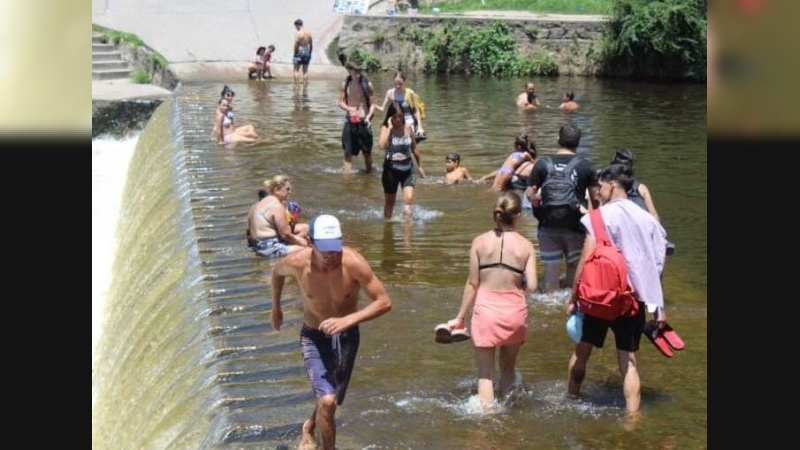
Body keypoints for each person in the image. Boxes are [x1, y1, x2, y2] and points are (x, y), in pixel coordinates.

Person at [271, 214, 393, 450]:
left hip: (347, 337)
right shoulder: (297, 262)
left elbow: (384, 301)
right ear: (310, 243)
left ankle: (309, 426)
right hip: (314, 336)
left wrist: (349, 319)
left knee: (332, 399)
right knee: (327, 401)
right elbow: (277, 272)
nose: (330, 255)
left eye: (334, 248)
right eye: (324, 249)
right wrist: (276, 308)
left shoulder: (354, 263)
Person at [566, 163, 668, 421]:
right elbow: (656, 266)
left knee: (582, 352)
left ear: (612, 185)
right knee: (629, 361)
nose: (597, 191)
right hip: (631, 301)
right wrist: (658, 308)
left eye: (600, 186)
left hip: (599, 298)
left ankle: (571, 400)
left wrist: (574, 297)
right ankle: (632, 417)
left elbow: (586, 259)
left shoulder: (598, 217)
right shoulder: (648, 220)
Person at [443, 191, 538, 413]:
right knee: (508, 368)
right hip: (515, 312)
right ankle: (508, 411)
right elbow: (532, 286)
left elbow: (473, 283)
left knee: (485, 374)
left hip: (485, 312)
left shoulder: (479, 242)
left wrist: (460, 317)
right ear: (519, 216)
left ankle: (488, 420)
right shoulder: (526, 246)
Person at [525, 123, 597, 294]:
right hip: (576, 225)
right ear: (578, 142)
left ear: (558, 139)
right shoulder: (586, 165)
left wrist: (537, 201)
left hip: (547, 224)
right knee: (573, 267)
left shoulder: (542, 163)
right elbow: (596, 198)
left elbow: (530, 194)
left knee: (551, 272)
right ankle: (568, 303)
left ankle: (551, 301)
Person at [610, 148, 675, 255]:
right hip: (642, 232)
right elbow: (653, 214)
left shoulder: (608, 189)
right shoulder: (641, 188)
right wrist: (659, 236)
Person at [379, 101, 426, 220]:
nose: (398, 119)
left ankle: (407, 225)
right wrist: (390, 128)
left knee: (409, 199)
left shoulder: (408, 128)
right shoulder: (385, 128)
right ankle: (387, 225)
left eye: (400, 116)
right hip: (390, 168)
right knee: (390, 202)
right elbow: (381, 145)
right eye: (395, 116)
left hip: (407, 167)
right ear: (390, 117)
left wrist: (420, 166)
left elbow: (414, 148)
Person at [248, 175, 309, 257]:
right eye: (287, 189)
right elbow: (286, 235)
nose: (290, 192)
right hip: (270, 247)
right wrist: (304, 243)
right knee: (308, 250)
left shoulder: (255, 206)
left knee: (305, 230)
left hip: (258, 245)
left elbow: (249, 232)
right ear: (277, 190)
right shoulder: (277, 206)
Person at [338, 61, 376, 174]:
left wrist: (368, 117)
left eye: (360, 71)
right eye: (355, 71)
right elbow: (340, 102)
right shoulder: (345, 84)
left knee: (367, 152)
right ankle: (346, 179)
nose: (358, 74)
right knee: (348, 153)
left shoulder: (368, 84)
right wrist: (350, 109)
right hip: (350, 120)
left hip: (364, 120)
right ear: (350, 71)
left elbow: (373, 104)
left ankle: (369, 175)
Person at [376, 71, 425, 141]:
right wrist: (373, 105)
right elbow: (382, 109)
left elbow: (416, 111)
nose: (398, 86)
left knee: (408, 142)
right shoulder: (390, 93)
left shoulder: (410, 93)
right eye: (395, 84)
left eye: (400, 84)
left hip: (408, 121)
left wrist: (420, 127)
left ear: (404, 82)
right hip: (396, 121)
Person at [293, 19, 313, 84]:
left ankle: (296, 85)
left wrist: (295, 52)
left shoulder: (298, 33)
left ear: (297, 25)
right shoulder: (308, 33)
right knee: (305, 70)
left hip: (300, 51)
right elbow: (311, 44)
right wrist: (310, 53)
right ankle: (305, 85)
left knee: (296, 70)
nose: (296, 28)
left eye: (295, 26)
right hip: (306, 51)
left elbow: (296, 44)